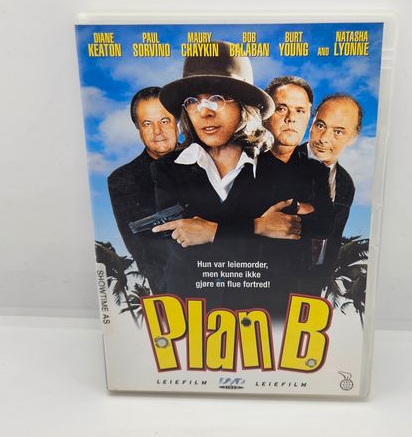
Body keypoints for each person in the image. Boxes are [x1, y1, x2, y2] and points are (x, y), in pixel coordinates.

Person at [151, 42, 307, 312]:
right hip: (189, 314)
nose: (205, 111)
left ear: (245, 105)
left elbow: (280, 256)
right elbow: (181, 247)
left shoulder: (278, 170)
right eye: (193, 102)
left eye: (218, 98)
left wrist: (210, 231)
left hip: (260, 317)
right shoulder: (167, 169)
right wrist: (258, 227)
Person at [258, 76, 334, 303]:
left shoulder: (317, 171)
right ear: (265, 116)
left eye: (300, 111)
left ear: (309, 118)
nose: (291, 118)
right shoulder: (244, 165)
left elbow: (326, 224)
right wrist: (307, 209)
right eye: (281, 109)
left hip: (300, 286)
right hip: (252, 284)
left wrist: (292, 207)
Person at [107, 87, 179, 294]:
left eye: (164, 121)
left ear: (178, 122)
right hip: (169, 289)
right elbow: (138, 248)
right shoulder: (121, 180)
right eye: (147, 124)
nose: (157, 132)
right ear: (138, 128)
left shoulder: (209, 159)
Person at [305, 93, 363, 290]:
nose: (323, 139)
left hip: (314, 283)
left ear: (353, 138)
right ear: (312, 123)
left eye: (338, 132)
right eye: (320, 125)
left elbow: (334, 238)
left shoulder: (346, 184)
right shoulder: (282, 162)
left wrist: (322, 280)